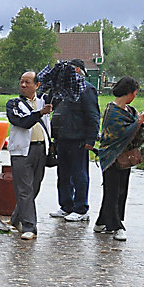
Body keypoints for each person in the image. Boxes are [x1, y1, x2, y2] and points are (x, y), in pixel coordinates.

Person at [93, 76, 144, 241]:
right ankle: (116, 226)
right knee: (112, 192)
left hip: (125, 158)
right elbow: (119, 135)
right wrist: (137, 123)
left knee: (121, 192)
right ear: (129, 93)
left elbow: (139, 133)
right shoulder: (111, 111)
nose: (135, 95)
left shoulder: (131, 111)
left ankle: (101, 222)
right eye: (135, 92)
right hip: (111, 157)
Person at [48, 58, 100, 222]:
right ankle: (66, 206)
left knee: (79, 174)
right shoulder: (62, 89)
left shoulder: (87, 89)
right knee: (63, 174)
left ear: (78, 70)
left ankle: (81, 208)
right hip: (62, 138)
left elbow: (93, 116)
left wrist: (90, 139)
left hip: (78, 139)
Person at [5, 71, 53, 239]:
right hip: (21, 151)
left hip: (40, 149)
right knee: (24, 189)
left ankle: (17, 217)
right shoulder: (13, 104)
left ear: (37, 85)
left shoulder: (43, 101)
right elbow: (22, 122)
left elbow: (58, 98)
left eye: (28, 82)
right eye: (21, 82)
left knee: (34, 188)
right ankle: (29, 227)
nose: (23, 85)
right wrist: (39, 113)